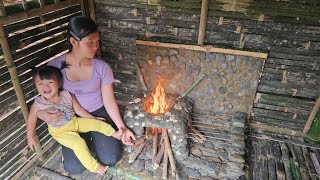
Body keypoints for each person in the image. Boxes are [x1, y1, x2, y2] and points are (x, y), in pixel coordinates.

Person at [37, 16, 135, 174]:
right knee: (74, 168)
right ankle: (79, 145)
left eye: (97, 41)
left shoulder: (102, 67)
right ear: (74, 42)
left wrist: (122, 127)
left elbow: (109, 101)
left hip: (99, 113)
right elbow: (44, 99)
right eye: (90, 42)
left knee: (110, 159)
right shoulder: (55, 67)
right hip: (70, 118)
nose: (95, 46)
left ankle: (95, 140)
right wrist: (42, 114)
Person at [27, 66, 123, 174]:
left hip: (74, 122)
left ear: (58, 83)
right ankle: (93, 166)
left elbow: (80, 110)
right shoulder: (38, 103)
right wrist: (30, 136)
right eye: (40, 84)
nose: (45, 87)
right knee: (78, 143)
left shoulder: (67, 95)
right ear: (36, 86)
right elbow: (31, 119)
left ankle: (114, 133)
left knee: (96, 123)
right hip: (61, 133)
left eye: (50, 82)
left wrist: (93, 118)